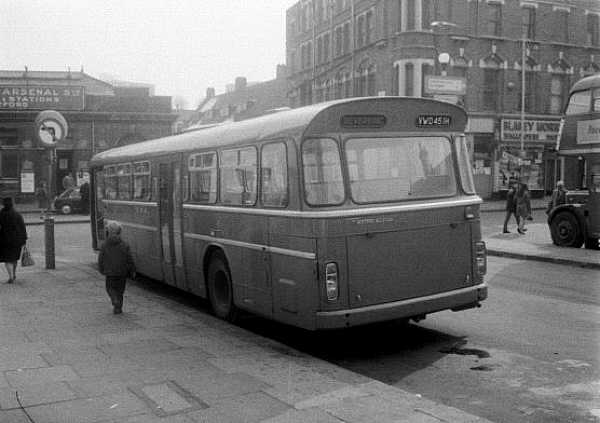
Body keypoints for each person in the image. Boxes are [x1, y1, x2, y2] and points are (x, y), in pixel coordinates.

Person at [98, 221, 135, 314]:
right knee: (120, 291)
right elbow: (129, 258)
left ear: (108, 232)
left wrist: (101, 268)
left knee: (110, 288)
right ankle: (118, 308)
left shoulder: (104, 245)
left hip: (110, 272)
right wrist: (132, 270)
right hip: (122, 272)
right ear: (120, 232)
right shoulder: (124, 244)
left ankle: (114, 300)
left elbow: (101, 258)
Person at [0, 198, 28, 284]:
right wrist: (24, 239)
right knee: (14, 258)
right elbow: (22, 227)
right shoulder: (17, 214)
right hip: (17, 240)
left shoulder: (1, 214)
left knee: (7, 259)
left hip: (4, 239)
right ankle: (14, 274)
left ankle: (11, 276)